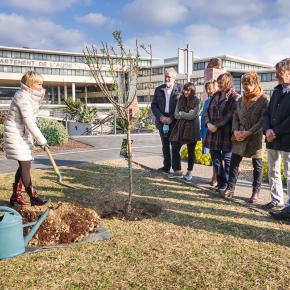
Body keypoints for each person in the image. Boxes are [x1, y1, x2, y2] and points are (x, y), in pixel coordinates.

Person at [221, 72, 268, 202]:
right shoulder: (240, 99)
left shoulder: (263, 99)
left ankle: (255, 192)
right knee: (234, 162)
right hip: (240, 135)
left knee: (257, 165)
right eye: (244, 84)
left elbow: (262, 120)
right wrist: (235, 130)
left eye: (249, 84)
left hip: (255, 137)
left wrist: (249, 132)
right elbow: (235, 116)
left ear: (256, 84)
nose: (246, 87)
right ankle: (230, 188)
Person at [4, 71, 48, 206]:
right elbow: (29, 121)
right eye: (38, 83)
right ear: (30, 83)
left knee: (24, 164)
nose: (41, 86)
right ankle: (33, 197)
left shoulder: (30, 96)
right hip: (16, 134)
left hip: (22, 134)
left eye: (42, 83)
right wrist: (42, 141)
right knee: (25, 165)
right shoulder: (22, 97)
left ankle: (16, 196)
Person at [204, 72, 240, 193]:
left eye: (221, 82)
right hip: (212, 132)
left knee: (227, 159)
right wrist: (208, 123)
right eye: (218, 82)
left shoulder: (235, 97)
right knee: (216, 159)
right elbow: (207, 111)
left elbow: (230, 116)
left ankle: (228, 185)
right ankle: (221, 182)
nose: (218, 84)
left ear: (228, 82)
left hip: (226, 133)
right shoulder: (215, 95)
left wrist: (216, 126)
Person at [263, 58, 290, 212]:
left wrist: (276, 131)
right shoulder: (277, 90)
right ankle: (276, 200)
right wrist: (267, 130)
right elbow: (267, 113)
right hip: (272, 138)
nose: (277, 76)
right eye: (277, 73)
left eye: (280, 73)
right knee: (273, 169)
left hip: (286, 138)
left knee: (289, 172)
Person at [151, 67, 181, 173]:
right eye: (165, 76)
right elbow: (154, 106)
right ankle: (166, 166)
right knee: (165, 145)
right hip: (162, 121)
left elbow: (181, 106)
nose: (166, 78)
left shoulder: (180, 89)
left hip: (175, 121)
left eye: (169, 76)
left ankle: (177, 168)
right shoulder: (158, 89)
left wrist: (172, 118)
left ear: (174, 78)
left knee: (175, 145)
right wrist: (161, 117)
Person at [169, 82, 201, 181]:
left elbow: (193, 115)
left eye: (188, 90)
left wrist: (182, 113)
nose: (185, 92)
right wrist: (185, 114)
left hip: (192, 129)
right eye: (184, 89)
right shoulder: (180, 99)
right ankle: (178, 170)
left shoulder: (197, 100)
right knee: (174, 147)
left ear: (192, 91)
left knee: (191, 151)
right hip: (180, 128)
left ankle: (189, 172)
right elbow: (175, 115)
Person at [201, 81, 218, 186]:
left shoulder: (216, 100)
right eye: (206, 88)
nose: (208, 90)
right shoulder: (207, 101)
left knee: (216, 155)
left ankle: (215, 178)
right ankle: (214, 177)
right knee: (212, 156)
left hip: (212, 130)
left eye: (210, 88)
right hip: (205, 130)